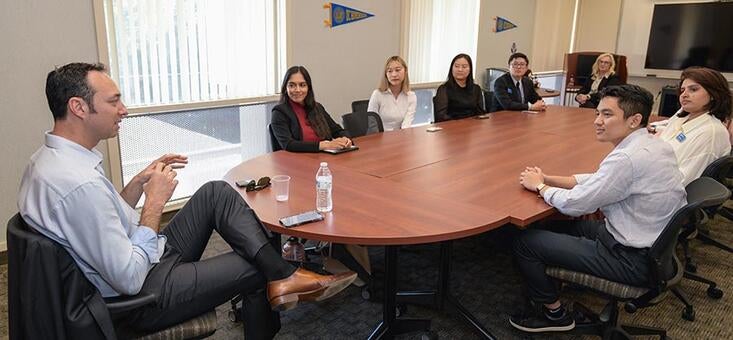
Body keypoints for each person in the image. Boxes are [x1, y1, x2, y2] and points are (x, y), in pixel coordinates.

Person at [18, 63, 356, 336]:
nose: (123, 109)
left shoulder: (52, 161)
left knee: (214, 192)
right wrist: (154, 205)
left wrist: (138, 183)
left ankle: (282, 274)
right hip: (141, 296)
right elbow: (129, 277)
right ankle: (281, 276)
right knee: (256, 265)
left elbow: (107, 220)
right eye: (113, 101)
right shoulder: (78, 184)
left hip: (137, 260)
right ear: (78, 107)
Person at [511, 84, 686, 333]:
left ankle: (555, 313)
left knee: (526, 241)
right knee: (554, 225)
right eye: (598, 113)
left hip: (630, 259)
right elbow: (599, 180)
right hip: (650, 249)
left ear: (634, 120)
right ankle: (554, 280)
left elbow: (575, 204)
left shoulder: (626, 159)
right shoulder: (654, 145)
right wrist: (548, 178)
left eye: (607, 114)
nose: (597, 121)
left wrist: (540, 187)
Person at [654, 67, 732, 185]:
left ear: (713, 94)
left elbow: (681, 182)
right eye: (682, 90)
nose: (684, 95)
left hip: (662, 192)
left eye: (693, 89)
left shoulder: (711, 133)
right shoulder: (684, 116)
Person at [271, 66, 353, 152]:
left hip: (324, 159)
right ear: (285, 88)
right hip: (297, 161)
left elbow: (338, 130)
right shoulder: (279, 112)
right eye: (292, 85)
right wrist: (324, 145)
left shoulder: (317, 108)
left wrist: (346, 139)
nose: (297, 90)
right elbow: (288, 144)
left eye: (302, 85)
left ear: (308, 88)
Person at [367, 56, 417, 131]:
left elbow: (407, 124)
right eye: (389, 71)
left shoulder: (411, 96)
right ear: (386, 74)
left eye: (397, 70)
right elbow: (372, 123)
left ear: (405, 71)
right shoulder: (377, 94)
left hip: (400, 136)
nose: (394, 75)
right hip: (379, 137)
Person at [433, 53, 484, 122]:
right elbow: (441, 116)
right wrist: (461, 124)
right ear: (452, 68)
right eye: (456, 66)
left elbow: (480, 113)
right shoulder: (443, 89)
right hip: (451, 128)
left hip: (472, 127)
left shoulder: (476, 89)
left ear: (470, 69)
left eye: (464, 67)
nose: (460, 69)